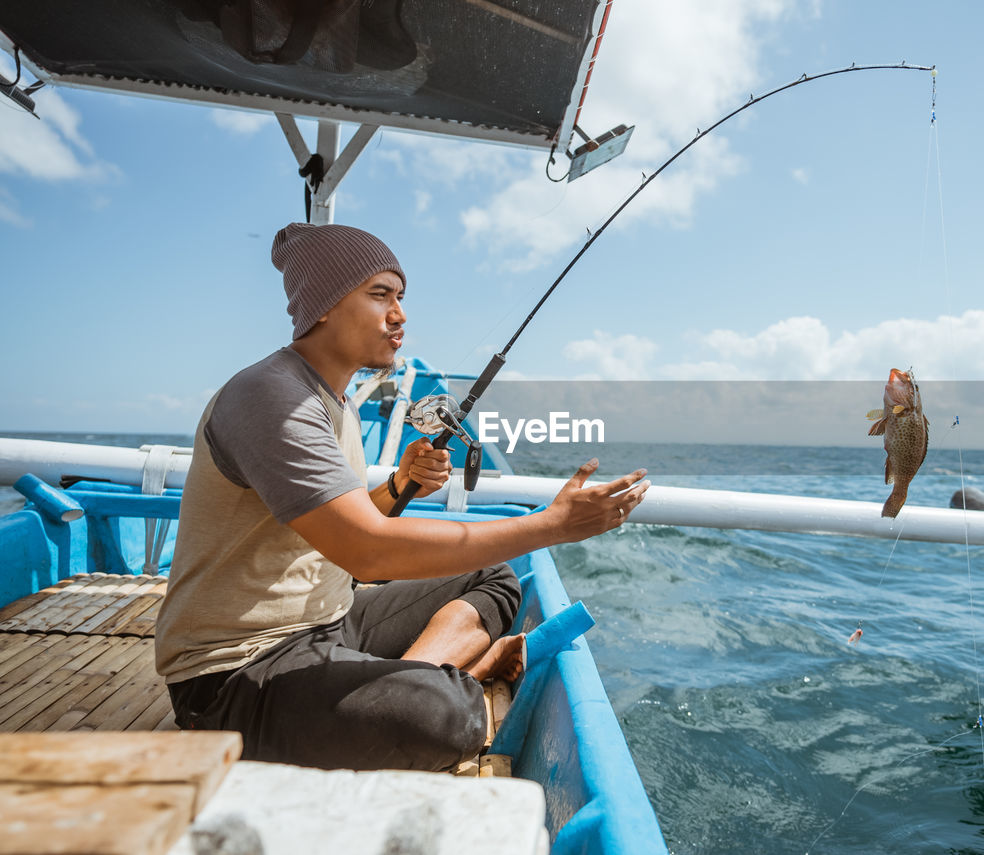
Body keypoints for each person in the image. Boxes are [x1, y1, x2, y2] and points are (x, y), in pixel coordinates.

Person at [154, 223, 648, 772]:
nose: (400, 314)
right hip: (233, 673)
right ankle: (435, 681)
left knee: (496, 578)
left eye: (401, 297)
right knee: (450, 717)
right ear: (322, 305)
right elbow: (366, 551)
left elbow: (336, 526)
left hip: (327, 620)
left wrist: (397, 486)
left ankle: (402, 680)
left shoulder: (332, 400)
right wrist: (552, 525)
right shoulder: (272, 396)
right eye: (380, 294)